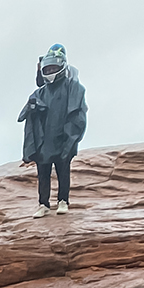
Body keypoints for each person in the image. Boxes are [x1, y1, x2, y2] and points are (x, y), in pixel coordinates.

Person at [19, 43, 87, 218]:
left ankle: (63, 201)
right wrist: (33, 108)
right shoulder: (39, 93)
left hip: (63, 137)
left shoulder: (73, 87)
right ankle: (43, 204)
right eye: (46, 68)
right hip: (45, 140)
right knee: (43, 173)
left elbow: (77, 113)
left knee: (63, 170)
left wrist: (71, 137)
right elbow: (22, 116)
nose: (50, 71)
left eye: (53, 68)